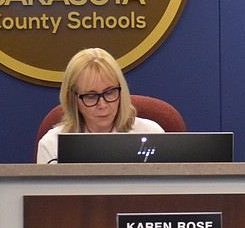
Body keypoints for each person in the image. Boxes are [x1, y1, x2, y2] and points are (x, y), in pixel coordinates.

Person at [36, 48, 164, 163]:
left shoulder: (152, 134)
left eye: (109, 93)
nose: (102, 105)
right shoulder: (52, 146)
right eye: (91, 97)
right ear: (73, 99)